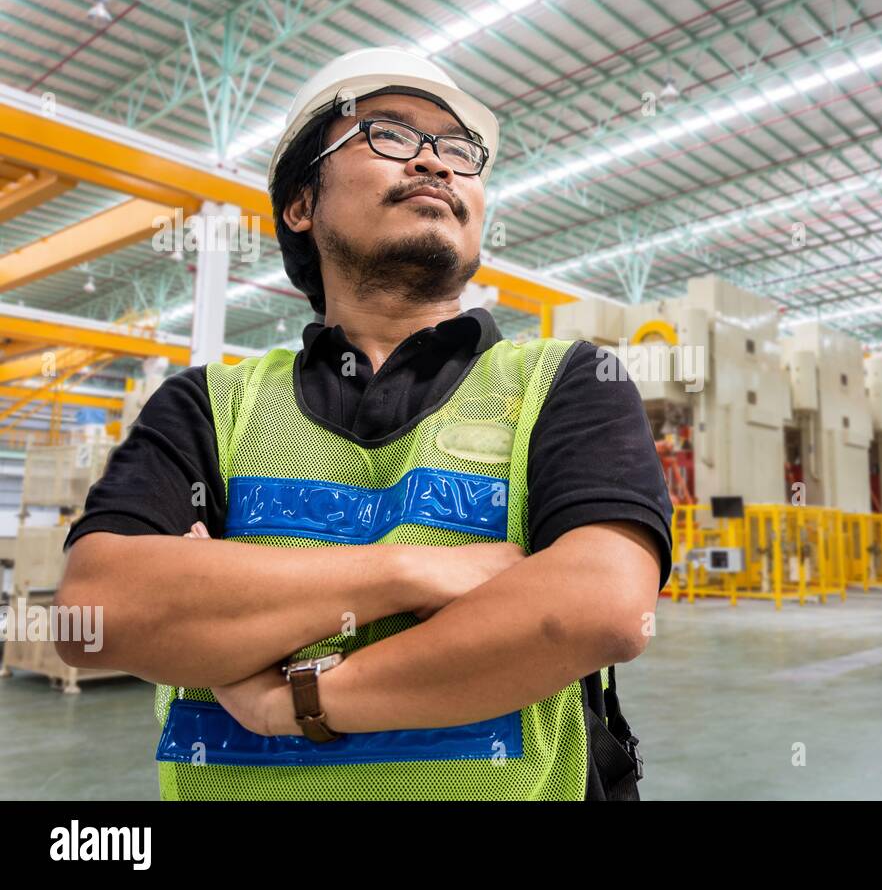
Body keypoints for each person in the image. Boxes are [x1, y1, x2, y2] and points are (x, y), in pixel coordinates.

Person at [55, 47, 673, 801]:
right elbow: (97, 615)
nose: (436, 165)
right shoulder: (210, 406)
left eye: (458, 151)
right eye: (389, 134)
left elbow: (602, 608)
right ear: (301, 203)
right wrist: (412, 569)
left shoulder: (566, 382)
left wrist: (291, 700)